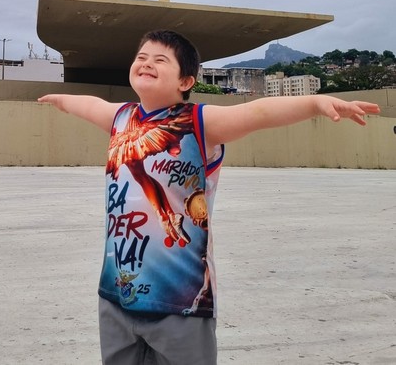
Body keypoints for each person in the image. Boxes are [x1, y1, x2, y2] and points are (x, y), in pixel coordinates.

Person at [37, 29, 380, 365]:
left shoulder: (199, 122)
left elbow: (257, 113)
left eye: (160, 60)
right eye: (141, 57)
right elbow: (90, 104)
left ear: (185, 81)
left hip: (180, 302)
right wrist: (61, 100)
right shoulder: (121, 118)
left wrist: (316, 103)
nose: (147, 63)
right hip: (116, 296)